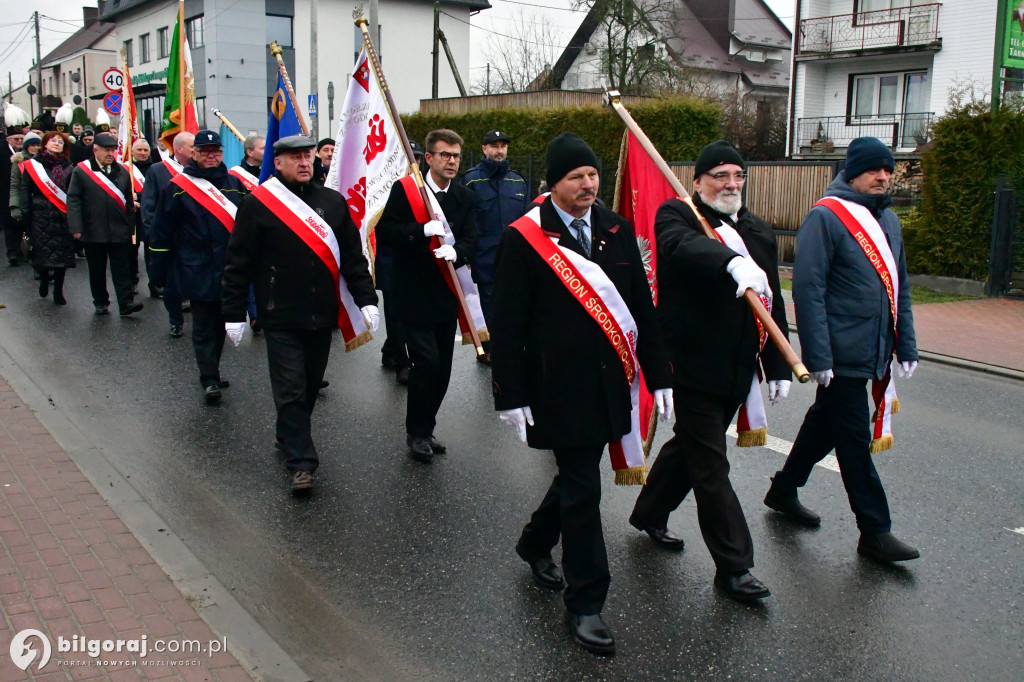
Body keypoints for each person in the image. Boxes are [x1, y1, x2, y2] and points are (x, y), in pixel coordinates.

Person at [490, 132, 672, 656]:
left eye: (592, 174)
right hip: (557, 388)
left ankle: (533, 542)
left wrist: (659, 375)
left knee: (577, 480)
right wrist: (510, 392)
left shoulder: (615, 228)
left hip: (609, 384)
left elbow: (641, 306)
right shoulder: (523, 239)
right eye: (576, 176)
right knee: (582, 488)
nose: (588, 184)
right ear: (554, 183)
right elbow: (507, 323)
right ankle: (587, 602)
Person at [628, 140, 789, 603]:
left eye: (738, 176)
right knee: (711, 465)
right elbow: (682, 249)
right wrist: (731, 262)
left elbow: (773, 296)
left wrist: (775, 362)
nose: (731, 184)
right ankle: (734, 566)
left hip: (737, 367)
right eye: (719, 176)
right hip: (690, 365)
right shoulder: (677, 216)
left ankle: (649, 512)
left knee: (690, 449)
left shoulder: (757, 229)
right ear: (698, 182)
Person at [765, 137, 920, 564]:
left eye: (888, 170)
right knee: (853, 442)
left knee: (824, 424)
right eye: (875, 169)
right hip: (840, 353)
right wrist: (819, 358)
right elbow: (808, 290)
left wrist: (905, 344)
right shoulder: (826, 217)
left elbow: (900, 288)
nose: (884, 177)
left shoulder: (888, 221)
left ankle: (783, 489)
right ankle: (875, 531)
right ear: (852, 172)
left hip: (872, 349)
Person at [222, 134, 379, 493]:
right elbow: (237, 263)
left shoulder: (333, 203)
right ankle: (302, 463)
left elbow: (353, 259)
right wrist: (233, 312)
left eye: (308, 156)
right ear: (277, 163)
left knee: (308, 385)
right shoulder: (259, 204)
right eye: (295, 157)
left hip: (321, 314)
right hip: (279, 314)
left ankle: (287, 433)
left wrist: (367, 299)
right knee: (290, 387)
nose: (305, 162)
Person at [376, 129, 477, 462]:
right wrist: (419, 231)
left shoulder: (463, 197)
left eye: (456, 156)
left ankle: (427, 427)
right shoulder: (407, 192)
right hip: (414, 293)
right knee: (427, 363)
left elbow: (472, 240)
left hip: (447, 295)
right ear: (428, 158)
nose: (451, 161)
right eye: (444, 155)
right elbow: (386, 232)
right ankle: (415, 433)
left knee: (443, 369)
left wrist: (457, 252)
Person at [150, 130, 248, 404]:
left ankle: (213, 371)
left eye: (215, 151)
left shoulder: (234, 184)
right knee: (204, 326)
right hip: (195, 268)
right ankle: (208, 379)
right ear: (194, 154)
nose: (211, 156)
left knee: (221, 325)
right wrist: (158, 271)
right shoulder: (177, 187)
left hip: (229, 270)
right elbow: (161, 232)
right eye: (204, 151)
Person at [458, 130, 530, 365]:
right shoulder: (470, 180)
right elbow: (463, 220)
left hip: (514, 256)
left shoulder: (517, 181)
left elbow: (528, 219)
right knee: (489, 302)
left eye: (503, 146)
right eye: (494, 146)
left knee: (514, 302)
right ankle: (489, 348)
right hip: (484, 256)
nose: (499, 151)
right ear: (484, 149)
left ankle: (512, 345)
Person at [67, 132, 142, 317]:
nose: (110, 154)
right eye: (106, 150)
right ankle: (100, 301)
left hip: (119, 229)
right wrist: (76, 227)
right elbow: (74, 199)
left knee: (121, 268)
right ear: (95, 150)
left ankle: (126, 303)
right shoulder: (82, 171)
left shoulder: (122, 171)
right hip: (94, 228)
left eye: (113, 150)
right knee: (97, 269)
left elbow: (127, 201)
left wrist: (130, 225)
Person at [13, 131, 75, 304]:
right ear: (45, 144)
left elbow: (73, 193)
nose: (56, 143)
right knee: (42, 253)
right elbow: (24, 189)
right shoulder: (33, 165)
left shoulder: (69, 167)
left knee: (62, 255)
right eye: (53, 140)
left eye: (60, 142)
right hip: (39, 215)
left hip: (63, 215)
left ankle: (58, 291)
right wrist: (24, 213)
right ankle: (45, 279)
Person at [142, 132, 194, 337]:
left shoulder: (201, 172)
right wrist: (152, 235)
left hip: (194, 238)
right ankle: (175, 320)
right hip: (169, 238)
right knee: (171, 284)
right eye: (192, 147)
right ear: (179, 149)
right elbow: (149, 205)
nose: (196, 151)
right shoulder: (158, 170)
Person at [3, 105, 31, 266]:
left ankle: (24, 250)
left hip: (24, 193)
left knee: (23, 223)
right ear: (9, 139)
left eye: (21, 138)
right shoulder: (2, 151)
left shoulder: (27, 154)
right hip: (5, 193)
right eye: (16, 139)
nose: (19, 141)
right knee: (9, 224)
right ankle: (12, 252)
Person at [128, 139, 154, 296]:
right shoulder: (126, 168)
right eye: (139, 150)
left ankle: (155, 283)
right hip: (133, 216)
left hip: (150, 215)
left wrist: (139, 196)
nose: (143, 153)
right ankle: (132, 281)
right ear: (132, 151)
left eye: (145, 150)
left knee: (152, 251)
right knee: (131, 251)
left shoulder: (156, 168)